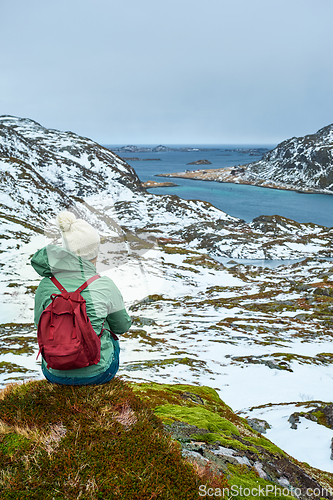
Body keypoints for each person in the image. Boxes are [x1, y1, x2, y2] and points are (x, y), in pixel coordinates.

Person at [31, 211, 132, 385]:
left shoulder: (46, 285)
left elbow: (38, 325)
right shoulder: (105, 284)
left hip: (54, 372)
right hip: (99, 374)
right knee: (106, 328)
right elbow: (121, 326)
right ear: (95, 251)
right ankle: (92, 370)